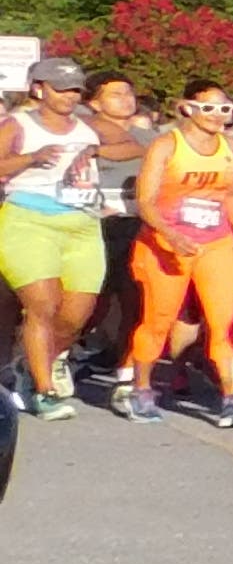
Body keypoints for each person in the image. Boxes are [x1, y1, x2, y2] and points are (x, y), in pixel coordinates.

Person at [119, 78, 233, 423]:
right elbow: (145, 201)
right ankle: (141, 390)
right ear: (186, 108)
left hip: (217, 242)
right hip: (166, 244)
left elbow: (231, 195)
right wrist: (170, 234)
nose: (217, 115)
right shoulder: (166, 145)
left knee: (225, 322)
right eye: (208, 108)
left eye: (225, 108)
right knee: (158, 320)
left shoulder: (232, 147)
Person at [5, 58, 112, 418]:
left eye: (76, 90)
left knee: (74, 318)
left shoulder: (88, 125)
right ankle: (44, 391)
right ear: (39, 89)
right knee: (43, 306)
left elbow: (135, 145)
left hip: (82, 224)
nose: (70, 96)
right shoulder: (17, 124)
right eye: (61, 89)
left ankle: (30, 365)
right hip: (29, 220)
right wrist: (30, 158)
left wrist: (97, 150)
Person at [75, 73, 153, 386]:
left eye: (128, 93)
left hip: (138, 223)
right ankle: (64, 352)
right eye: (115, 94)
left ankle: (126, 365)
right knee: (90, 299)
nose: (126, 99)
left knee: (135, 297)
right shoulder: (82, 134)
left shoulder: (150, 138)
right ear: (94, 103)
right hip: (94, 223)